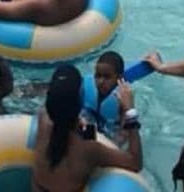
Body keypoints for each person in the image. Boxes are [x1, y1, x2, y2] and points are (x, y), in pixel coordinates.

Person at [31, 64, 142, 192]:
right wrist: (129, 111)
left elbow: (61, 120)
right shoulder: (89, 149)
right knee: (119, 138)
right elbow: (135, 162)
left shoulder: (42, 119)